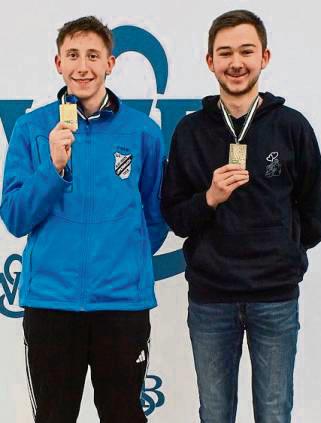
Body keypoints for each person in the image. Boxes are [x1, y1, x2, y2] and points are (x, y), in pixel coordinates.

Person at [0, 16, 167, 423]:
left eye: (93, 56)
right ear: (58, 63)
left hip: (122, 306)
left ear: (110, 63)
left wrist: (123, 260)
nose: (82, 66)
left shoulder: (143, 131)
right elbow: (16, 217)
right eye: (73, 55)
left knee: (123, 415)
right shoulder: (32, 128)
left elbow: (156, 216)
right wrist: (54, 167)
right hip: (51, 306)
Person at [161, 9, 321, 423]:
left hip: (275, 297)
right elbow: (176, 217)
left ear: (264, 57)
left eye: (247, 51)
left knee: (273, 413)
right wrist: (210, 198)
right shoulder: (190, 131)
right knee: (214, 414)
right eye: (225, 52)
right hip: (211, 299)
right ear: (209, 60)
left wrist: (281, 248)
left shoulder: (292, 127)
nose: (236, 62)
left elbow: (314, 210)